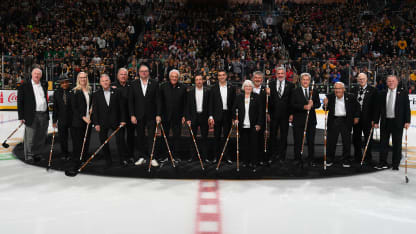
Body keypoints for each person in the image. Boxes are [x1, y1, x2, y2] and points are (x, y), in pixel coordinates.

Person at [374, 75, 411, 170]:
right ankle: (382, 162)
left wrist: (407, 121)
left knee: (397, 144)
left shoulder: (403, 93)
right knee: (383, 143)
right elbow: (378, 108)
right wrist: (376, 121)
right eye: (389, 81)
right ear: (387, 83)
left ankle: (395, 164)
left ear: (397, 82)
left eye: (393, 81)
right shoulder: (382, 93)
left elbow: (407, 108)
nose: (391, 83)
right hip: (385, 122)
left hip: (397, 122)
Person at [129, 64, 161, 167]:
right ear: (139, 72)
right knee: (140, 137)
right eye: (142, 71)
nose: (144, 73)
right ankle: (141, 157)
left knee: (152, 137)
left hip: (151, 115)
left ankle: (153, 157)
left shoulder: (155, 83)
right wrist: (132, 115)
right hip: (138, 116)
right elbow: (131, 101)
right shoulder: (133, 84)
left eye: (146, 71)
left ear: (148, 72)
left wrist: (158, 114)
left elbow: (158, 101)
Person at [92, 74, 127, 168]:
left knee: (120, 141)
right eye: (103, 81)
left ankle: (122, 159)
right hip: (102, 122)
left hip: (117, 121)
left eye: (107, 80)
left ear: (110, 81)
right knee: (103, 142)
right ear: (100, 83)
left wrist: (123, 120)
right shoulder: (96, 94)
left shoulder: (117, 91)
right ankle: (108, 160)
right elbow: (95, 110)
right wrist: (96, 123)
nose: (105, 82)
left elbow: (122, 107)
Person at [323, 82, 360, 167]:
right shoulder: (330, 96)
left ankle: (346, 160)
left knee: (346, 141)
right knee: (331, 141)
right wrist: (325, 104)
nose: (337, 90)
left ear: (343, 89)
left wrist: (357, 117)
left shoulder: (351, 97)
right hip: (334, 120)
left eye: (339, 88)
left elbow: (357, 107)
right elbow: (325, 109)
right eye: (335, 88)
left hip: (346, 120)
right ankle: (329, 159)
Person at [17, 67, 49, 162]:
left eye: (39, 74)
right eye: (35, 73)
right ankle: (29, 155)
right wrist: (21, 116)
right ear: (32, 74)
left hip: (43, 114)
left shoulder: (44, 84)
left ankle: (37, 153)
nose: (37, 75)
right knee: (30, 137)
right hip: (31, 115)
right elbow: (20, 102)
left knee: (41, 136)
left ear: (41, 75)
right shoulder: (24, 86)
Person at [290, 73, 321, 167]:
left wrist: (312, 105)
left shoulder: (314, 91)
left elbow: (318, 104)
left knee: (311, 141)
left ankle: (311, 159)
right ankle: (297, 158)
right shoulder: (295, 91)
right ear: (300, 80)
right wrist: (304, 107)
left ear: (310, 81)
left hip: (311, 121)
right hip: (298, 120)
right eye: (303, 79)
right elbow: (292, 105)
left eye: (307, 79)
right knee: (298, 140)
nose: (305, 81)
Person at [232, 80, 263, 172]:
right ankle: (245, 161)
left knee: (254, 145)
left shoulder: (256, 97)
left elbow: (260, 112)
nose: (248, 88)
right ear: (243, 88)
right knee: (244, 144)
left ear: (252, 87)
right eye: (246, 86)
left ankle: (253, 162)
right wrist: (235, 118)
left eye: (250, 86)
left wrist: (259, 124)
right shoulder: (239, 97)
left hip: (253, 125)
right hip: (243, 125)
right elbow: (234, 110)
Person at [159, 69, 187, 162]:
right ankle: (164, 156)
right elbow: (160, 102)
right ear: (169, 77)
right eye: (172, 76)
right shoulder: (163, 86)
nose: (174, 78)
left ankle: (176, 156)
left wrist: (184, 115)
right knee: (164, 137)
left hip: (177, 116)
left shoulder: (183, 87)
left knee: (177, 137)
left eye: (176, 77)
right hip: (165, 116)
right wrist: (159, 115)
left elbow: (185, 103)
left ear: (178, 78)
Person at [267, 66, 294, 163]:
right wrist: (268, 113)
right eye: (278, 73)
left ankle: (282, 156)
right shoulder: (270, 84)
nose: (280, 75)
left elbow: (291, 101)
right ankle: (272, 156)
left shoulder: (290, 85)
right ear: (276, 74)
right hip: (273, 115)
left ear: (285, 74)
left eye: (282, 73)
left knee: (284, 136)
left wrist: (291, 114)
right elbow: (268, 102)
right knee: (272, 136)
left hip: (285, 115)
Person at [209, 70, 236, 164]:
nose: (221, 77)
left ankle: (227, 156)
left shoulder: (232, 87)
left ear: (226, 76)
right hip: (217, 115)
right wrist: (211, 116)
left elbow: (234, 104)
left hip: (227, 115)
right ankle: (216, 157)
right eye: (219, 75)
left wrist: (234, 117)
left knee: (226, 137)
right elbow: (211, 103)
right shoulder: (213, 88)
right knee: (216, 137)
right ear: (218, 77)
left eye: (223, 75)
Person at [351, 73, 377, 165]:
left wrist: (375, 119)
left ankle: (368, 157)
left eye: (363, 79)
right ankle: (357, 156)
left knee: (368, 139)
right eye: (360, 79)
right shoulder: (354, 89)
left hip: (368, 119)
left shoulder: (373, 90)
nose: (361, 80)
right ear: (357, 80)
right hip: (356, 119)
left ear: (366, 79)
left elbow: (375, 106)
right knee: (356, 138)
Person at [185, 74, 210, 163]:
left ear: (203, 81)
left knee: (204, 138)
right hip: (193, 117)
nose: (199, 81)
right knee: (192, 138)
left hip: (204, 117)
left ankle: (205, 157)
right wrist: (187, 118)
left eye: (200, 79)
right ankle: (192, 157)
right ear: (195, 81)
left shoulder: (207, 91)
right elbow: (187, 106)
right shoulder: (190, 92)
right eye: (197, 80)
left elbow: (210, 105)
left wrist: (210, 116)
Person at [112, 68, 135, 164]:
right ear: (118, 75)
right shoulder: (112, 86)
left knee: (131, 137)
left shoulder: (132, 85)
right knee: (120, 138)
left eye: (125, 74)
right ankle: (122, 157)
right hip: (118, 116)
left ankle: (130, 156)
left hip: (130, 115)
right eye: (121, 74)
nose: (123, 76)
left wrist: (133, 115)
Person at [71, 72, 93, 163]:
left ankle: (84, 157)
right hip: (78, 120)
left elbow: (90, 103)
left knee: (86, 140)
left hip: (88, 119)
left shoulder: (90, 90)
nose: (83, 79)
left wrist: (92, 108)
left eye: (84, 77)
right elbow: (74, 108)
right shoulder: (75, 91)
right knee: (78, 141)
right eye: (81, 77)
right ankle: (77, 159)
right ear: (78, 79)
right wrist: (83, 117)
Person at [52, 76, 73, 160]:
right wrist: (54, 120)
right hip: (61, 118)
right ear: (60, 83)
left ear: (68, 82)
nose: (64, 84)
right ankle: (64, 153)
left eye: (66, 82)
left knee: (75, 137)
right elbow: (55, 108)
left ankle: (76, 153)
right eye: (62, 83)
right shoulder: (56, 93)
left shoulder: (73, 91)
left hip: (72, 118)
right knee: (63, 138)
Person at [251, 71, 267, 165]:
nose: (257, 79)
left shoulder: (266, 90)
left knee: (261, 140)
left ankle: (260, 159)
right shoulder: (248, 89)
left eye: (259, 78)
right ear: (253, 79)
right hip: (250, 119)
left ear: (262, 80)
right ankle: (251, 159)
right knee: (251, 140)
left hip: (261, 119)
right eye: (256, 78)